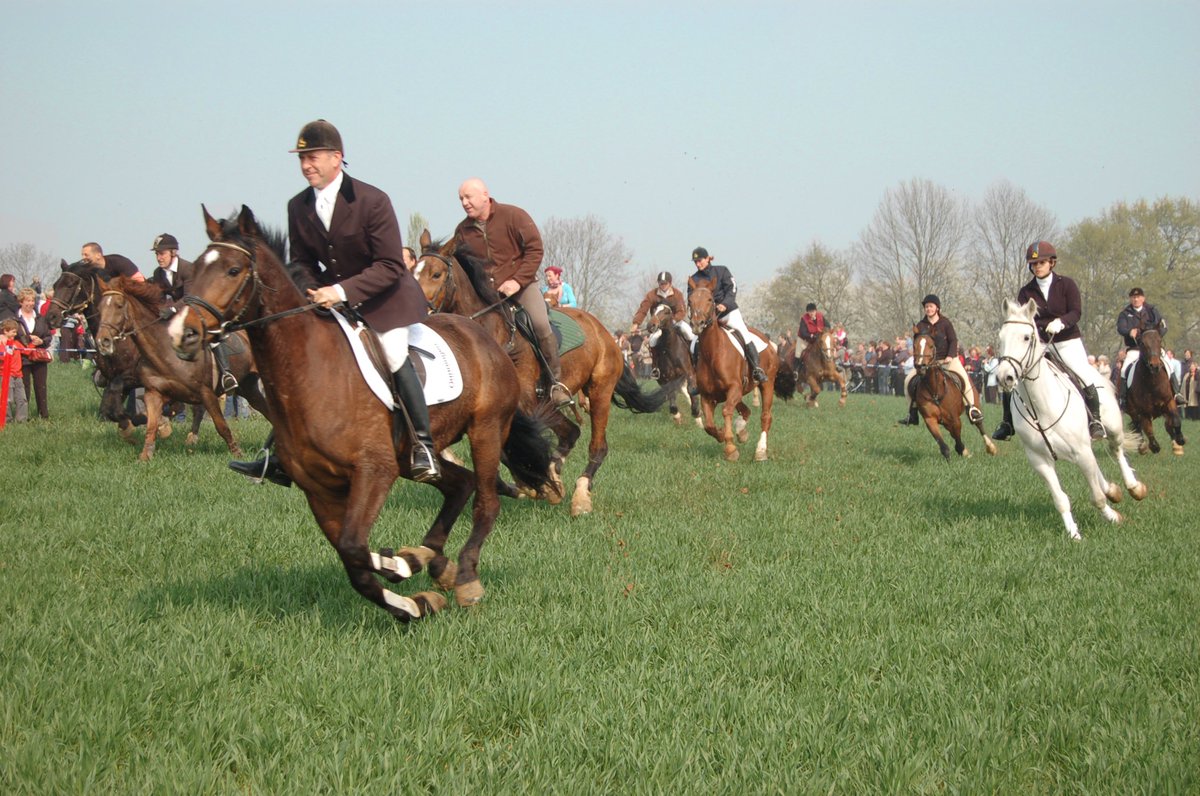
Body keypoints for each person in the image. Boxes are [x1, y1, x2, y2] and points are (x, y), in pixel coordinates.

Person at [230, 119, 439, 485]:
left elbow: (390, 265)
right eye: (302, 159)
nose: (306, 164)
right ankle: (278, 455)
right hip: (332, 300)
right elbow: (302, 263)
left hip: (385, 300)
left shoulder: (372, 200)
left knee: (392, 353)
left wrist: (340, 291)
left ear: (337, 158)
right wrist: (313, 292)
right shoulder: (298, 206)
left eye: (313, 157)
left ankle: (423, 446)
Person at [454, 177, 572, 406]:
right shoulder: (462, 231)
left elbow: (535, 250)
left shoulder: (514, 215)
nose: (464, 202)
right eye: (461, 199)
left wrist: (517, 281)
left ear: (484, 195)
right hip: (485, 294)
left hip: (522, 286)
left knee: (539, 324)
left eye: (468, 197)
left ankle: (556, 383)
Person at [993, 241, 1107, 440]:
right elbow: (1023, 320)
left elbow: (1076, 311)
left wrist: (1061, 322)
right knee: (1014, 373)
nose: (1038, 267)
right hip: (1040, 343)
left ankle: (1095, 421)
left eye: (1042, 263)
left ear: (1052, 263)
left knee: (1082, 374)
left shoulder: (1067, 284)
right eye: (1034, 264)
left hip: (1066, 340)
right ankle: (1007, 422)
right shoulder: (1026, 292)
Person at [898, 294, 983, 426]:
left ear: (937, 308)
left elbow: (953, 340)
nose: (928, 309)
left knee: (964, 378)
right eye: (926, 307)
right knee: (908, 380)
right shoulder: (921, 325)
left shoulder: (945, 323)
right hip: (927, 363)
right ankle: (912, 413)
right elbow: (917, 343)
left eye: (931, 306)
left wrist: (950, 356)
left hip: (947, 360)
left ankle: (972, 408)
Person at [686, 246, 766, 383]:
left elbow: (732, 289)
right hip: (707, 319)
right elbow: (691, 297)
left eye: (700, 261)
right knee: (694, 344)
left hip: (728, 312)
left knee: (744, 333)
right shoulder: (694, 279)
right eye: (695, 262)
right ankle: (696, 378)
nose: (698, 264)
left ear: (707, 259)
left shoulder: (722, 270)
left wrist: (725, 304)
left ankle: (756, 368)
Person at [1115, 287, 1184, 405]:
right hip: (1135, 349)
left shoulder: (1152, 311)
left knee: (1169, 364)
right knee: (1124, 369)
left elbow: (1163, 326)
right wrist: (1129, 331)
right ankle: (1123, 398)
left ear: (1143, 298)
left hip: (1153, 348)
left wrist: (1157, 336)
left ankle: (1177, 393)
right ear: (1131, 299)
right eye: (1133, 297)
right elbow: (1121, 328)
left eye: (1138, 297)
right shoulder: (1125, 313)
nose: (1136, 299)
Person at [629, 271, 697, 350]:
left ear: (670, 283)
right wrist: (636, 323)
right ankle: (655, 361)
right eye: (661, 283)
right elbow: (643, 309)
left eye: (665, 283)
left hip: (675, 322)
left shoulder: (677, 294)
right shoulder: (652, 295)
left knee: (690, 334)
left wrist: (674, 320)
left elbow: (681, 311)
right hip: (658, 324)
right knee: (652, 341)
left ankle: (693, 356)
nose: (663, 285)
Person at [15, 287, 52, 419]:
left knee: (41, 387)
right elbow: (11, 338)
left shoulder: (41, 318)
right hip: (22, 358)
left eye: (32, 300)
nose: (30, 303)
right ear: (21, 302)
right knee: (24, 388)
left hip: (39, 357)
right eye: (27, 300)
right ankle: (23, 416)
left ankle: (44, 415)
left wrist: (41, 341)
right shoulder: (15, 319)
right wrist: (26, 340)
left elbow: (48, 337)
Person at [2, 318, 30, 423]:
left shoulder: (16, 343)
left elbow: (26, 351)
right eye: (13, 331)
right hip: (6, 375)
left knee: (22, 398)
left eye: (15, 331)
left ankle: (21, 420)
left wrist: (34, 345)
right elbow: (2, 357)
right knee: (8, 399)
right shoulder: (2, 342)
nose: (15, 333)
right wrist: (8, 349)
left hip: (18, 375)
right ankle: (6, 420)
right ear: (5, 331)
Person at [80, 243, 145, 282]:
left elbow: (140, 281)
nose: (83, 258)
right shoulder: (88, 270)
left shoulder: (119, 262)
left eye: (86, 255)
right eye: (82, 255)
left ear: (98, 255)